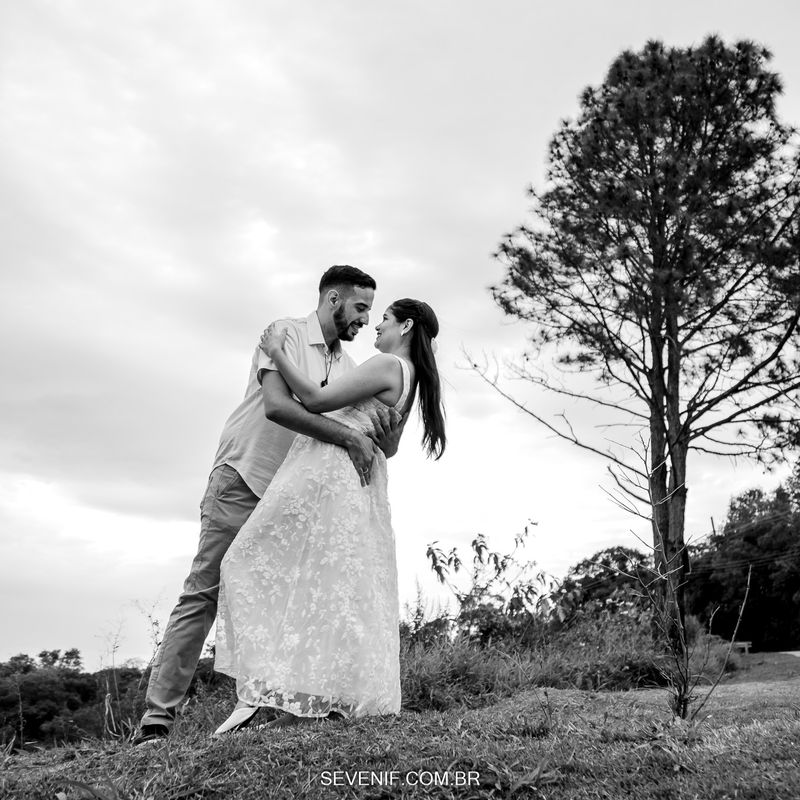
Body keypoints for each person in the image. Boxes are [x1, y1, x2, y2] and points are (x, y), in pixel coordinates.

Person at [132, 266, 403, 745]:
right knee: (205, 590)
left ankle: (268, 707)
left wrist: (382, 433)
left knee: (294, 600)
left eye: (370, 311)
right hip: (245, 476)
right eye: (360, 307)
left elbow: (370, 428)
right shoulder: (284, 334)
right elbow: (278, 407)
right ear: (333, 298)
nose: (364, 319)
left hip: (295, 499)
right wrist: (347, 436)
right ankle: (157, 719)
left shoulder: (349, 367)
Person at [212, 298, 445, 734]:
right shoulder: (410, 376)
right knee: (334, 584)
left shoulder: (388, 365)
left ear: (407, 326)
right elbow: (388, 443)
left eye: (386, 320)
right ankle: (313, 694)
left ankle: (273, 690)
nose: (376, 327)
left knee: (244, 559)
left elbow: (316, 400)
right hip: (359, 478)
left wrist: (277, 352)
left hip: (333, 474)